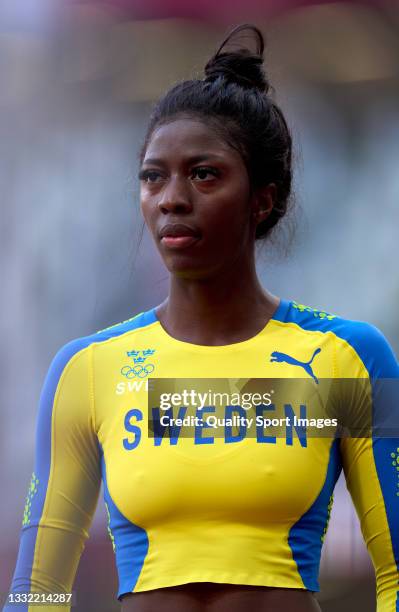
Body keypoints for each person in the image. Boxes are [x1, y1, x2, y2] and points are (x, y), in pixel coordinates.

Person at [4, 23, 399, 612]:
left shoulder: (349, 357)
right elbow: (40, 590)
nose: (171, 198)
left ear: (263, 198)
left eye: (204, 173)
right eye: (153, 176)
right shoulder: (87, 369)